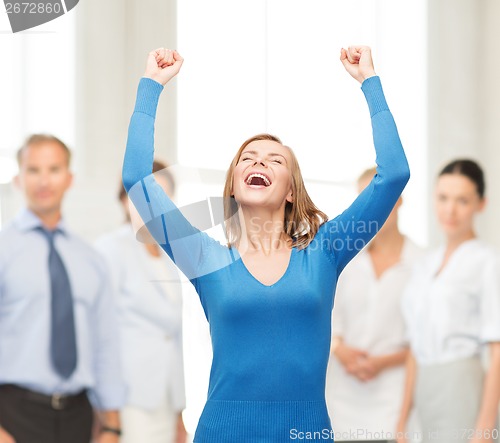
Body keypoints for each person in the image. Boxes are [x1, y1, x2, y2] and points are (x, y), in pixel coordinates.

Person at [122, 45, 410, 442]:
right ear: (235, 186)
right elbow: (137, 179)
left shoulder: (325, 252)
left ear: (291, 190)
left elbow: (393, 174)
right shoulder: (205, 258)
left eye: (275, 160)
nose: (258, 162)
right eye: (248, 158)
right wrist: (151, 86)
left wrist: (370, 83)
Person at [0, 134, 125, 443]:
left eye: (54, 169)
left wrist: (112, 425)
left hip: (79, 417)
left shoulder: (90, 258)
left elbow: (104, 342)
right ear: (18, 178)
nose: (44, 180)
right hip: (13, 415)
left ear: (69, 178)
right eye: (34, 170)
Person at [398, 159, 500, 443]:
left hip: (463, 387)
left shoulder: (487, 262)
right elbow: (414, 349)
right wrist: (402, 421)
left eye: (462, 201)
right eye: (443, 198)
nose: (450, 210)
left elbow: (497, 351)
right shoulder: (424, 265)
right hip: (425, 390)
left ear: (481, 204)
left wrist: (485, 428)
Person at [325, 167, 423, 441]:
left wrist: (385, 361)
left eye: (382, 197)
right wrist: (340, 350)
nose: (374, 208)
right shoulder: (343, 259)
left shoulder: (422, 264)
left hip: (394, 403)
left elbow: (424, 337)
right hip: (341, 402)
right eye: (365, 200)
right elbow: (326, 320)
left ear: (399, 199)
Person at [94, 160, 187, 443]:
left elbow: (174, 337)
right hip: (127, 399)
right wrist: (108, 414)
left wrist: (179, 411)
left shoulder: (171, 259)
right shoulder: (109, 250)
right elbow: (99, 334)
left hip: (166, 399)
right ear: (125, 200)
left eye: (162, 196)